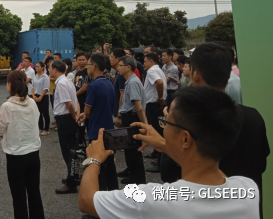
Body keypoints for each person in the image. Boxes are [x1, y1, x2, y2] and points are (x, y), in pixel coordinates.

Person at [78, 86, 259, 219]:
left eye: (166, 122)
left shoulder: (152, 200)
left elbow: (87, 200)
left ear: (185, 139)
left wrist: (93, 159)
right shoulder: (247, 189)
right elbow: (209, 165)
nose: (163, 127)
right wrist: (166, 145)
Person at [159, 42, 270, 218]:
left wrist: (170, 127)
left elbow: (168, 172)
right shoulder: (254, 116)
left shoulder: (188, 121)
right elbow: (261, 164)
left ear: (195, 75)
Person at [0, 70, 44, 219]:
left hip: (16, 155)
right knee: (34, 193)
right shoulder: (32, 102)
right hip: (33, 153)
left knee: (19, 197)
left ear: (10, 85)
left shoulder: (7, 106)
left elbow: (0, 130)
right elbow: (36, 120)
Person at [78, 53, 118, 192]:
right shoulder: (109, 83)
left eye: (88, 64)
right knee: (110, 164)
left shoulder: (93, 85)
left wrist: (84, 114)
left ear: (94, 66)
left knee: (98, 164)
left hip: (96, 130)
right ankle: (113, 191)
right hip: (109, 129)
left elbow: (87, 110)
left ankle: (101, 195)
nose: (87, 67)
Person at [115, 56, 147, 185]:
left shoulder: (133, 82)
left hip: (132, 118)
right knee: (129, 149)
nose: (118, 68)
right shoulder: (130, 81)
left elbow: (138, 107)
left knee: (134, 150)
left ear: (128, 67)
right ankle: (132, 175)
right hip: (129, 117)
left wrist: (144, 124)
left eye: (120, 65)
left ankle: (138, 180)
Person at [51, 59, 79, 194]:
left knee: (68, 151)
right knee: (72, 149)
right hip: (68, 118)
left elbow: (69, 103)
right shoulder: (66, 81)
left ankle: (71, 183)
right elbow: (75, 101)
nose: (49, 71)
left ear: (55, 70)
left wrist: (74, 117)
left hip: (65, 119)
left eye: (50, 68)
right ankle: (73, 176)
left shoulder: (62, 83)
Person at [143, 52, 167, 173]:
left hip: (154, 104)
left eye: (145, 61)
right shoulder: (158, 69)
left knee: (158, 134)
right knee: (161, 132)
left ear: (151, 61)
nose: (144, 64)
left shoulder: (151, 70)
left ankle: (160, 163)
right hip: (156, 105)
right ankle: (159, 158)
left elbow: (159, 82)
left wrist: (160, 97)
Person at [32, 61, 50, 136]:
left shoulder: (45, 77)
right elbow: (32, 86)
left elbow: (46, 88)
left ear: (42, 67)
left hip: (43, 96)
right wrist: (33, 95)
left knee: (45, 113)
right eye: (36, 66)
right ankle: (40, 128)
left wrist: (41, 96)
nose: (36, 68)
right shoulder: (35, 76)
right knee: (38, 113)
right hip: (36, 95)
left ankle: (46, 129)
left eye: (38, 66)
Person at [109, 48, 126, 118]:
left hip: (119, 113)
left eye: (112, 57)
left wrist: (119, 114)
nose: (110, 59)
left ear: (118, 59)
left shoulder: (121, 75)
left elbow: (123, 95)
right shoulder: (117, 73)